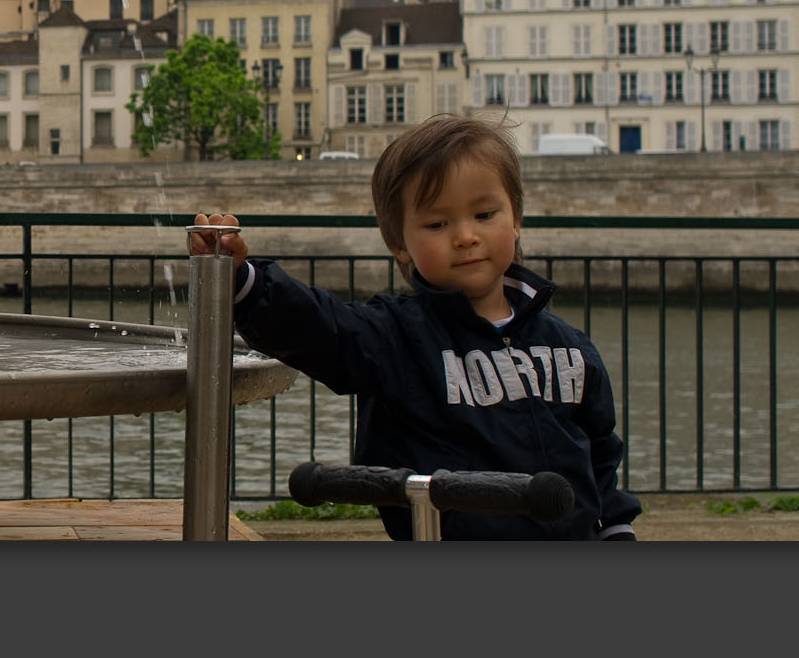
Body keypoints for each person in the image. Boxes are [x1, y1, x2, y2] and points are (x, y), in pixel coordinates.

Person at [190, 113, 640, 540]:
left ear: (516, 220)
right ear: (399, 245)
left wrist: (617, 526)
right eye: (438, 223)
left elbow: (600, 450)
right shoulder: (397, 338)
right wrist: (244, 280)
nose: (466, 236)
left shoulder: (570, 348)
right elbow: (325, 330)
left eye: (484, 215)